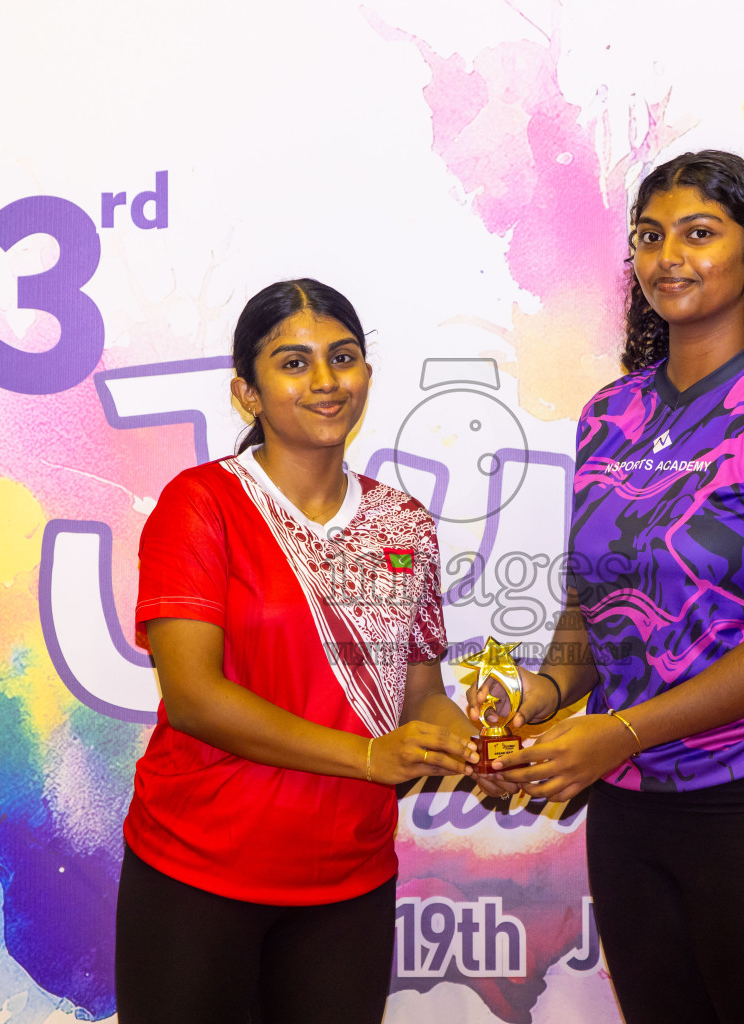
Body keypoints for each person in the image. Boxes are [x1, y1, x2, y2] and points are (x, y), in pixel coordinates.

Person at [471, 150, 744, 1022]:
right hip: (633, 815)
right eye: (650, 238)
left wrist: (615, 733)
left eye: (701, 233)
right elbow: (595, 602)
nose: (670, 257)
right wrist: (543, 693)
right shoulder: (609, 416)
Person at [115, 279, 478, 1023]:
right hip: (200, 871)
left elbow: (419, 694)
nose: (324, 381)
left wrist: (463, 739)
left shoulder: (402, 523)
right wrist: (369, 759)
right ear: (246, 393)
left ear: (367, 377)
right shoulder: (201, 505)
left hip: (351, 878)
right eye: (293, 362)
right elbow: (194, 698)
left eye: (342, 358)